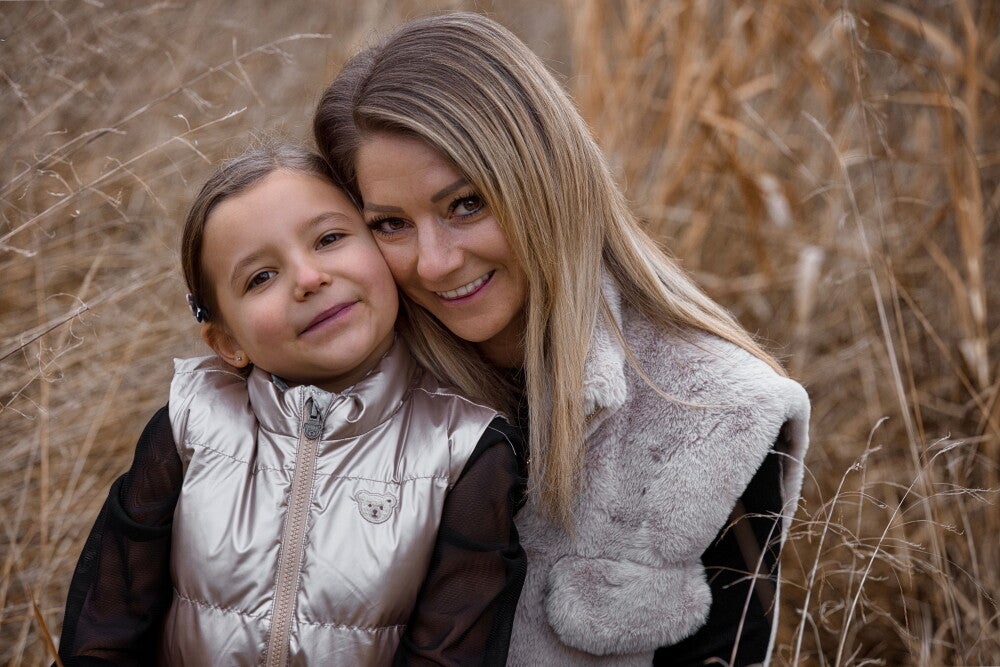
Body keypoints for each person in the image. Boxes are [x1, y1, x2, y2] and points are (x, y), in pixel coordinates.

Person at [313, 11, 810, 666]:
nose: (434, 262)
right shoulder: (339, 381)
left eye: (466, 204)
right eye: (390, 224)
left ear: (542, 179)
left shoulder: (721, 417)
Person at [56, 143, 527, 666]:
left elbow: (451, 654)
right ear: (227, 342)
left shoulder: (465, 447)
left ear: (382, 252)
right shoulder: (190, 426)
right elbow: (106, 632)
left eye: (329, 239)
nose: (308, 279)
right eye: (260, 277)